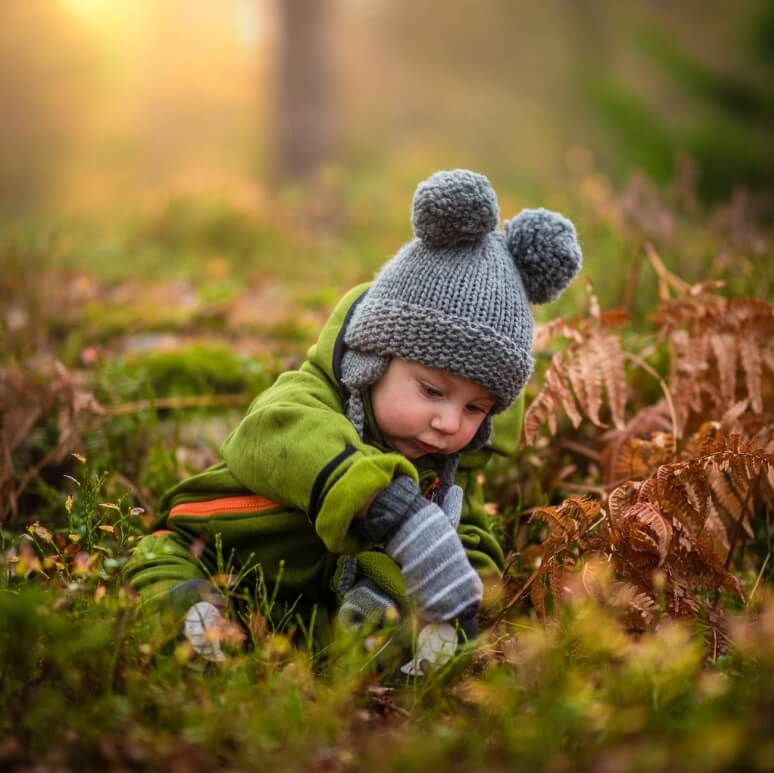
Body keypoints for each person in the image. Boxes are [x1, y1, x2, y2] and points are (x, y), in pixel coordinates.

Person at [124, 169, 582, 665]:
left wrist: (460, 599)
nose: (450, 422)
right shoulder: (307, 399)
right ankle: (193, 620)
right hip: (214, 549)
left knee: (392, 612)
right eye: (432, 391)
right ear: (373, 360)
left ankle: (369, 641)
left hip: (304, 605)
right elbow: (275, 433)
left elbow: (469, 536)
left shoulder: (445, 470)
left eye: (476, 408)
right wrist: (390, 506)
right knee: (164, 566)